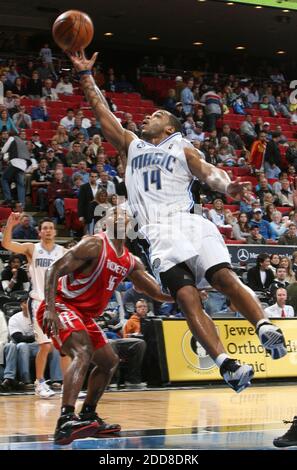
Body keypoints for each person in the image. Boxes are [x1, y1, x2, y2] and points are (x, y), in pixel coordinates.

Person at [67, 50, 287, 394]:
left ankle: (264, 326)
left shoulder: (183, 148)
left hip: (188, 222)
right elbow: (102, 112)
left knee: (224, 277)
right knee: (186, 295)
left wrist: (229, 185)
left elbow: (208, 173)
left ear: (168, 126)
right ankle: (226, 365)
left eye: (155, 114)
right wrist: (85, 75)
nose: (148, 117)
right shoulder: (132, 144)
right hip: (157, 229)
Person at [37, 206, 173, 445]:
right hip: (61, 304)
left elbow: (157, 292)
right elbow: (53, 268)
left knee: (109, 361)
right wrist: (49, 307)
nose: (121, 216)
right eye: (115, 214)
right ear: (106, 223)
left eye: (125, 215)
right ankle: (66, 419)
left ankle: (88, 415)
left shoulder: (131, 261)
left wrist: (186, 294)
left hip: (85, 315)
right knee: (83, 352)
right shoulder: (94, 244)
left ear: (130, 227)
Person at [2, 214, 66, 398]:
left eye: (50, 228)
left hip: (56, 303)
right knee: (45, 346)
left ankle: (67, 385)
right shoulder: (32, 249)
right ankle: (39, 383)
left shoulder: (62, 251)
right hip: (38, 301)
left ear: (54, 231)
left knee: (64, 346)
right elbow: (7, 245)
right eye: (44, 228)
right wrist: (10, 225)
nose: (47, 230)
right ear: (39, 232)